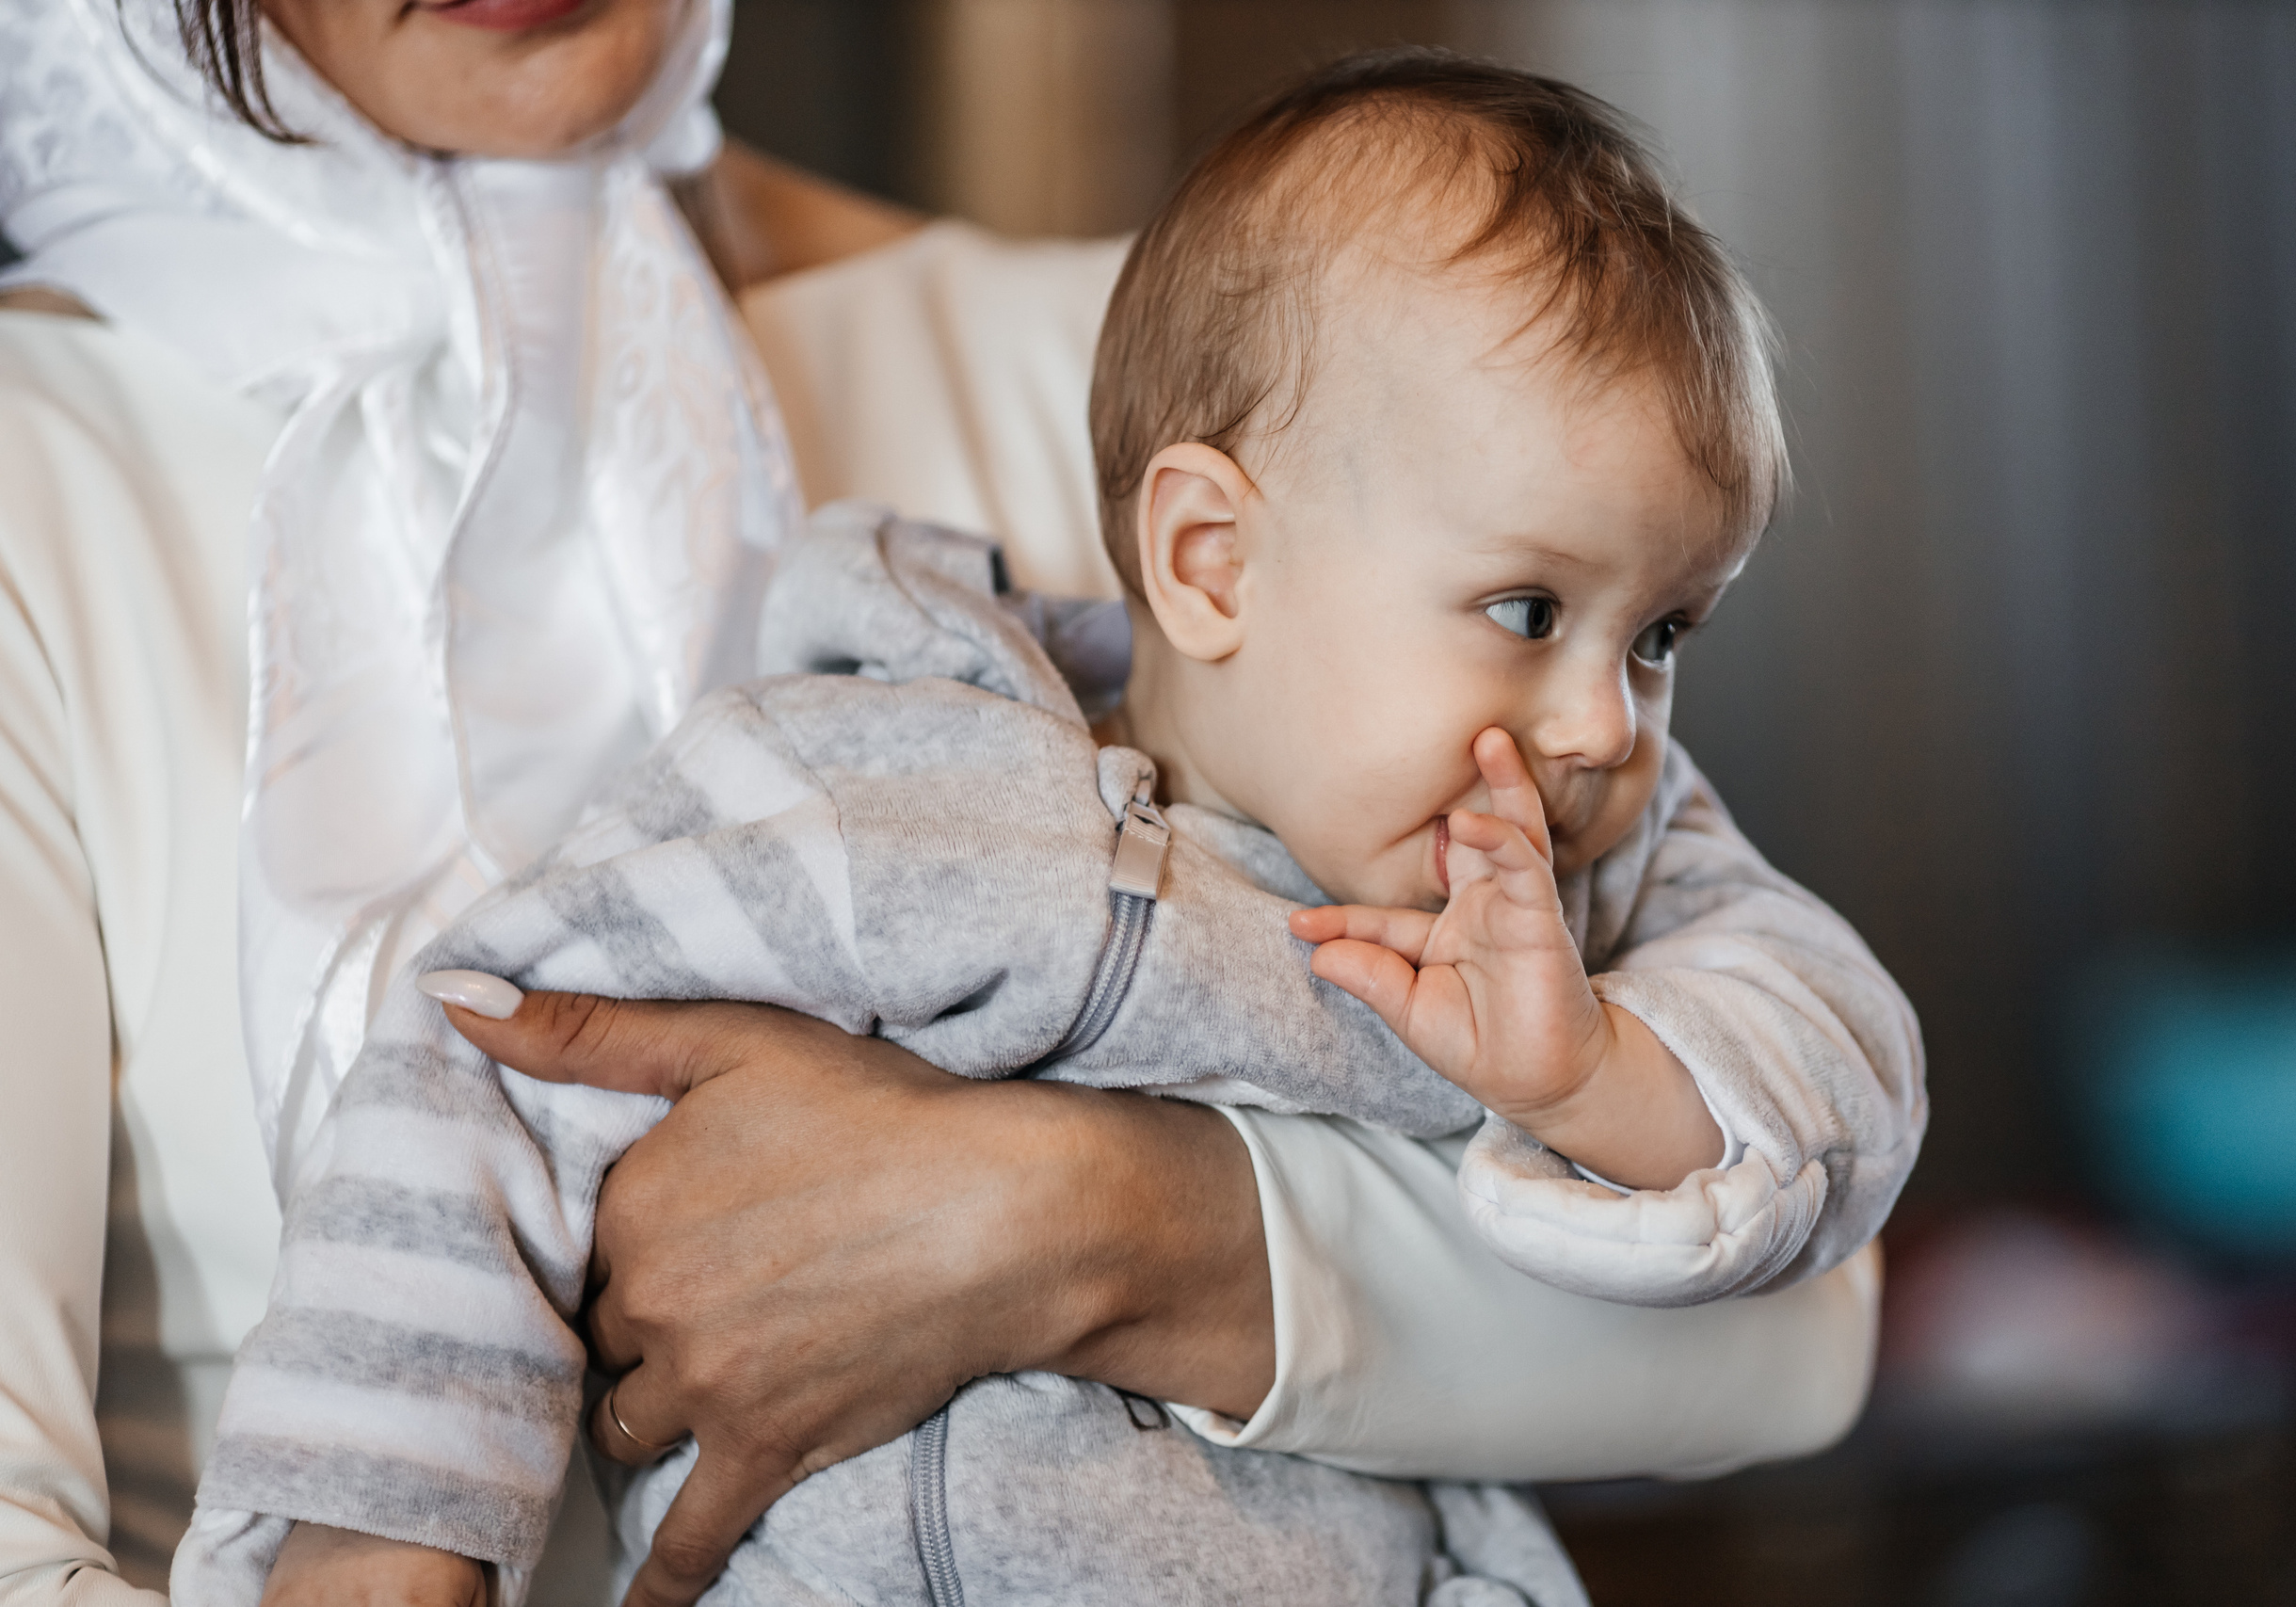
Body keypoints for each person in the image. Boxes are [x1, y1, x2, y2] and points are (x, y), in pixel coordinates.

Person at [0, 4, 1889, 1606]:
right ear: (1199, 556)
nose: (1604, 713)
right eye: (1542, 618)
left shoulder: (1261, 344)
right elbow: (487, 1066)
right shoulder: (44, 488)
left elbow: (1798, 1317)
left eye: (1658, 637)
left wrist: (1087, 1221)